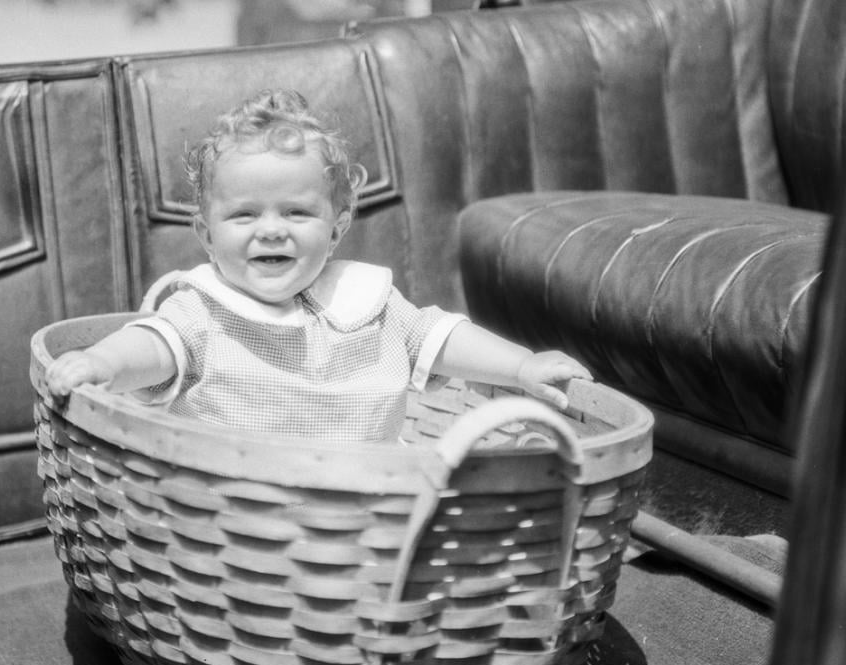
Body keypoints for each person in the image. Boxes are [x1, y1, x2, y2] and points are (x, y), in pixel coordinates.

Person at [46, 89, 591, 441]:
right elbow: (149, 346)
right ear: (207, 236)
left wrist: (522, 367)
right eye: (244, 214)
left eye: (297, 212)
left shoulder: (370, 305)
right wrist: (101, 362)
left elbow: (440, 336)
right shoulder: (201, 311)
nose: (271, 229)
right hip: (233, 508)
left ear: (335, 229)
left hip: (366, 503)